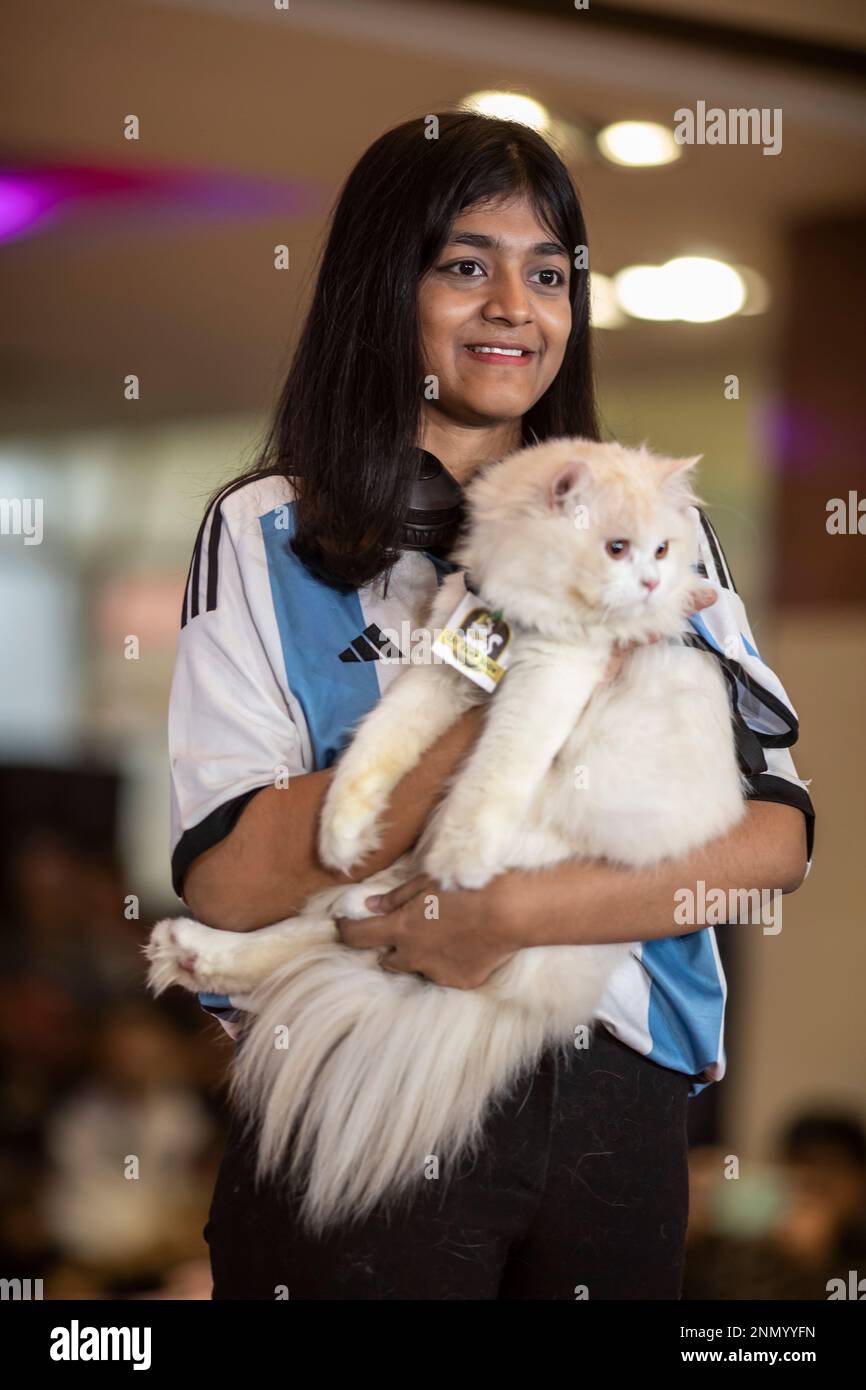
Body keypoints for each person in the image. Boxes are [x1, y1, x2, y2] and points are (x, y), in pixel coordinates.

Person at [167, 112, 815, 1300]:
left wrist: (509, 913)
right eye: (465, 264)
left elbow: (774, 835)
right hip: (357, 1070)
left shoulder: (648, 515)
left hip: (614, 1085)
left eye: (548, 272)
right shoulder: (264, 529)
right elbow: (225, 878)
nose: (515, 305)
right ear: (384, 286)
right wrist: (493, 691)